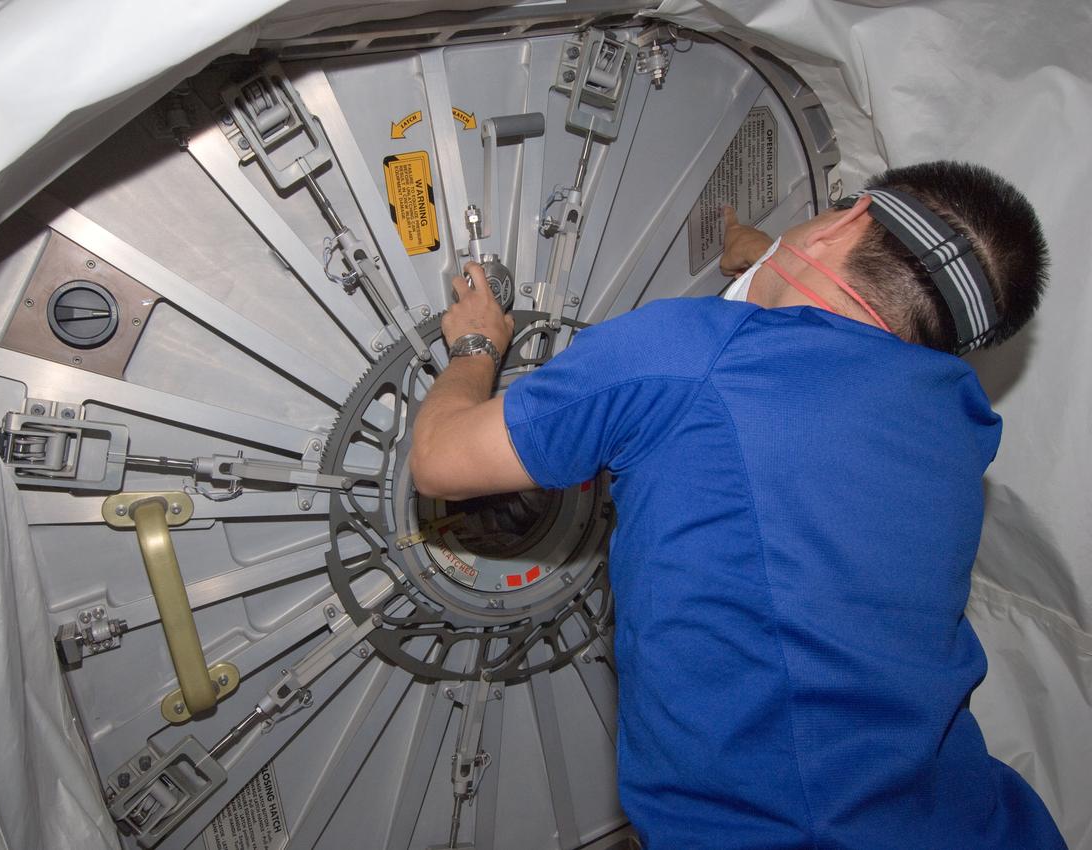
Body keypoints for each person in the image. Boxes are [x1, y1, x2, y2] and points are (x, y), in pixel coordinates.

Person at [410, 161, 1065, 848]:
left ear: (846, 220)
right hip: (979, 822)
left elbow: (438, 460)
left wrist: (476, 344)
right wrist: (769, 257)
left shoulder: (683, 351)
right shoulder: (956, 420)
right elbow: (826, 363)